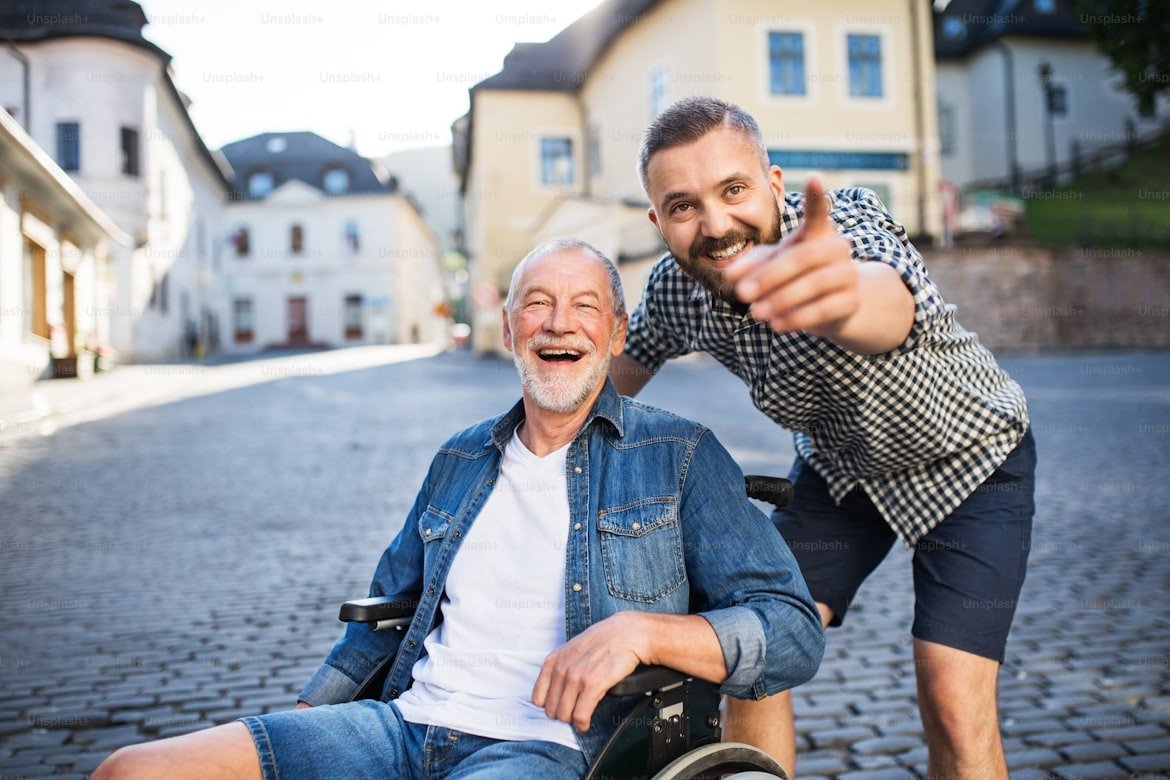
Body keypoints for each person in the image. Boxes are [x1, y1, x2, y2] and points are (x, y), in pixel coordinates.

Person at [95, 238, 825, 780]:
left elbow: (791, 630)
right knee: (128, 772)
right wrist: (308, 725)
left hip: (545, 748)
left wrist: (644, 632)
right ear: (508, 331)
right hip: (403, 728)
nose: (557, 323)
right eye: (535, 303)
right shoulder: (461, 457)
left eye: (584, 306)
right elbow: (385, 613)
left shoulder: (679, 453)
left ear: (615, 334)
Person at [609, 96, 1036, 780]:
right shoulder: (674, 291)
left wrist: (837, 296)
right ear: (658, 221)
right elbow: (604, 391)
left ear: (775, 186)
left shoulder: (843, 228)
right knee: (754, 648)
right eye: (684, 205)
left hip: (971, 461)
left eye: (735, 190)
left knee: (953, 698)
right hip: (843, 474)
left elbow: (884, 299)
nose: (717, 224)